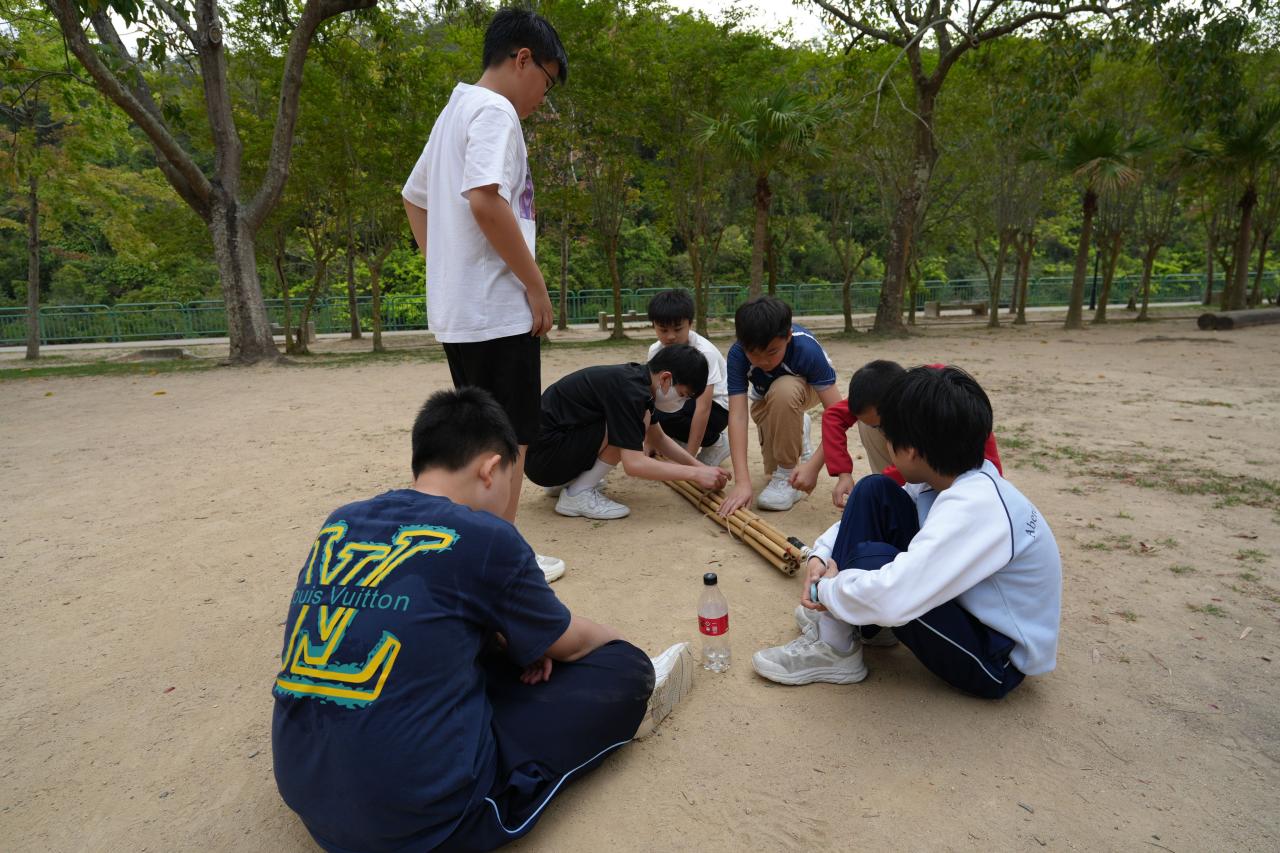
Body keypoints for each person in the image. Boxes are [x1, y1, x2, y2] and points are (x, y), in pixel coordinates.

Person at [272, 388, 694, 853]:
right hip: (424, 821)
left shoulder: (341, 520)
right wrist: (622, 650)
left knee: (471, 648)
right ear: (492, 469)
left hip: (305, 789)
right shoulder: (484, 534)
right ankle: (639, 688)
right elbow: (572, 644)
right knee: (620, 668)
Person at [752, 366, 1061, 699]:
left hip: (997, 660)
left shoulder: (976, 507)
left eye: (887, 434)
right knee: (873, 491)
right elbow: (863, 520)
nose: (885, 442)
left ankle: (836, 648)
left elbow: (893, 597)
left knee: (873, 562)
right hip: (967, 609)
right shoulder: (950, 479)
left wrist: (826, 591)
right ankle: (853, 628)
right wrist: (821, 555)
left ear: (911, 449)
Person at [401, 8, 567, 582]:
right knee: (512, 439)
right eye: (546, 81)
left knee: (479, 438)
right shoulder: (495, 110)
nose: (542, 97)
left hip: (462, 311)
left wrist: (445, 267)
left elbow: (414, 197)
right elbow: (485, 199)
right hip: (497, 310)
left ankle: (475, 549)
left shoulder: (456, 109)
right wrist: (535, 286)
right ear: (523, 59)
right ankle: (505, 562)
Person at [525, 344, 731, 520]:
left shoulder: (637, 381)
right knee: (628, 426)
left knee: (634, 422)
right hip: (545, 460)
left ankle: (567, 482)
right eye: (683, 395)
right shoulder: (632, 393)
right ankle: (577, 494)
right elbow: (634, 464)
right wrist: (695, 474)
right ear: (666, 378)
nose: (682, 402)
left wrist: (701, 467)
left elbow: (659, 438)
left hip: (545, 457)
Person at [719, 296, 842, 514]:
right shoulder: (737, 355)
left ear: (788, 336)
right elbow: (738, 415)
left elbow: (840, 415)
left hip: (805, 390)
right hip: (765, 397)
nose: (763, 361)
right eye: (753, 353)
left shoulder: (806, 350)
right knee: (770, 473)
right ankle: (798, 428)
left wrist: (813, 466)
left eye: (772, 352)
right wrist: (742, 482)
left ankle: (787, 472)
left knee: (784, 389)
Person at [823, 360, 1004, 507]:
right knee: (869, 425)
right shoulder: (888, 390)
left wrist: (872, 490)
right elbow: (834, 416)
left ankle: (892, 493)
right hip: (923, 471)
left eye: (884, 425)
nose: (885, 434)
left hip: (965, 482)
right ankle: (893, 494)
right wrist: (844, 473)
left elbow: (989, 467)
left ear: (897, 399)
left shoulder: (940, 400)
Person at [645, 289, 731, 466]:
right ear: (653, 325)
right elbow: (650, 399)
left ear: (690, 323)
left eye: (678, 329)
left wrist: (688, 460)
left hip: (716, 409)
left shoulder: (704, 353)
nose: (670, 336)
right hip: (683, 402)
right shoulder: (655, 350)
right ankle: (677, 440)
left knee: (667, 413)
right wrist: (649, 441)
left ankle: (716, 443)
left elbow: (703, 408)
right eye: (663, 329)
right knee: (653, 408)